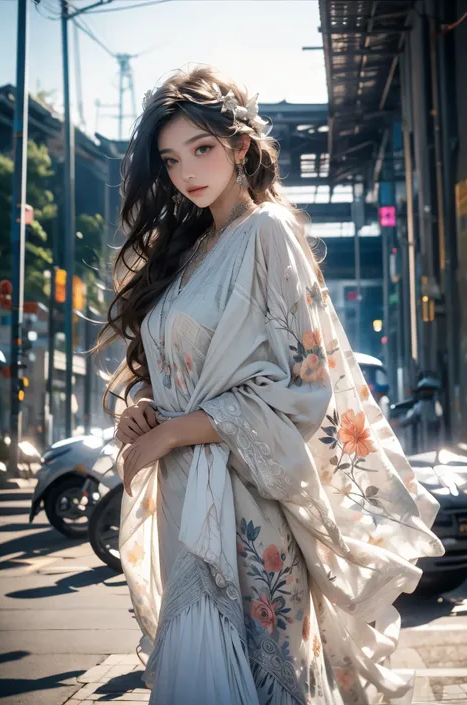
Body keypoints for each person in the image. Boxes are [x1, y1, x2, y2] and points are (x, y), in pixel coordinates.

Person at [97, 65, 444, 705]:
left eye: (202, 149)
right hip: (187, 497)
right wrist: (146, 411)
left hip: (247, 497)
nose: (186, 172)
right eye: (172, 160)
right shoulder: (192, 248)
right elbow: (184, 373)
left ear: (241, 147)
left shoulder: (268, 232)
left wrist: (179, 428)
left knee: (262, 679)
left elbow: (304, 388)